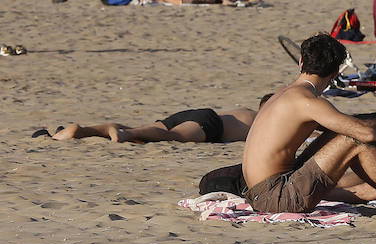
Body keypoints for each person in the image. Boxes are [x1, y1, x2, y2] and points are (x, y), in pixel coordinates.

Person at [243, 34, 376, 218]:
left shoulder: (284, 96)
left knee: (344, 133)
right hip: (276, 197)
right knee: (356, 139)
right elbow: (365, 133)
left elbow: (344, 122)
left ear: (301, 61)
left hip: (262, 194)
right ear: (334, 73)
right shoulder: (307, 101)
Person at [48, 105, 260, 143]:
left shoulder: (245, 111)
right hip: (211, 124)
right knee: (173, 137)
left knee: (154, 131)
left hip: (197, 113)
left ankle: (87, 131)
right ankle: (125, 134)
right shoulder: (263, 118)